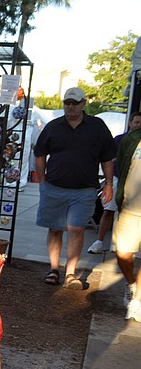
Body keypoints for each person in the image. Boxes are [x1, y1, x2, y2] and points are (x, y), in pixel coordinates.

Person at [33, 87, 116, 289]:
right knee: (55, 229)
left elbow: (107, 158)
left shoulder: (97, 127)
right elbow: (40, 154)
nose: (70, 107)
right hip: (54, 187)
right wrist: (42, 181)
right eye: (67, 103)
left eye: (75, 103)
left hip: (85, 190)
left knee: (76, 229)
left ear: (83, 104)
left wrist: (108, 184)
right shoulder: (53, 127)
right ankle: (53, 269)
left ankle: (70, 273)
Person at [87, 111, 141, 254]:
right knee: (109, 210)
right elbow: (110, 159)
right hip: (118, 178)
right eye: (136, 122)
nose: (138, 125)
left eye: (140, 123)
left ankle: (128, 246)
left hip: (135, 184)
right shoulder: (119, 139)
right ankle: (99, 241)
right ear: (130, 123)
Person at [112, 111, 141, 319]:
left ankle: (138, 301)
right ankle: (131, 283)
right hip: (131, 208)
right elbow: (121, 169)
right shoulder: (132, 139)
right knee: (123, 253)